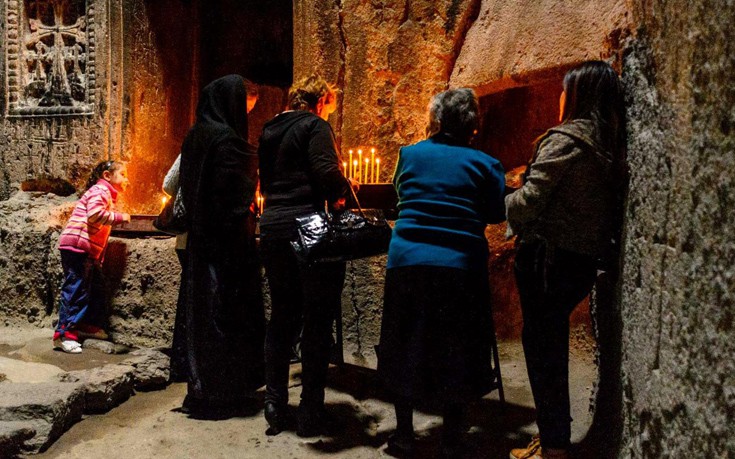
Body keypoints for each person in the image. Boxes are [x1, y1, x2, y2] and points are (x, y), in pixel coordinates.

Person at [506, 61, 625, 459]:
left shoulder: (565, 140)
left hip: (547, 258)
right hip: (579, 260)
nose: (559, 96)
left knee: (543, 350)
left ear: (578, 95)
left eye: (565, 89)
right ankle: (554, 439)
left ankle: (554, 446)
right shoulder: (605, 142)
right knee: (550, 345)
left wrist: (507, 198)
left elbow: (528, 202)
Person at [377, 88, 506, 457]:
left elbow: (401, 194)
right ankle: (451, 436)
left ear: (435, 120)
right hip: (459, 267)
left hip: (408, 262)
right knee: (458, 348)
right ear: (472, 125)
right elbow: (497, 212)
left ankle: (404, 434)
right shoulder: (486, 164)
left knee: (404, 344)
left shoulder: (410, 155)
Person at [257, 74, 352, 437]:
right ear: (321, 99)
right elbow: (327, 173)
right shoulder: (315, 126)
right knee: (316, 318)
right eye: (329, 102)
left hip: (273, 228)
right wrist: (343, 187)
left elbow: (267, 181)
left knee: (282, 315)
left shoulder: (270, 128)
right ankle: (311, 410)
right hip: (307, 230)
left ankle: (275, 403)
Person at [177, 74, 265, 418]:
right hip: (228, 246)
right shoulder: (227, 141)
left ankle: (202, 388)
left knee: (202, 317)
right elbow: (232, 196)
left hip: (201, 242)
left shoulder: (194, 136)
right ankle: (226, 392)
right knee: (227, 315)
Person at [53, 160, 131, 353]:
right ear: (107, 176)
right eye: (123, 174)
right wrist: (121, 217)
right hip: (77, 247)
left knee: (90, 289)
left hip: (85, 250)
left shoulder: (105, 194)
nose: (126, 179)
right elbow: (95, 215)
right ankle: (63, 334)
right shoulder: (100, 191)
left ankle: (83, 326)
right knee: (76, 289)